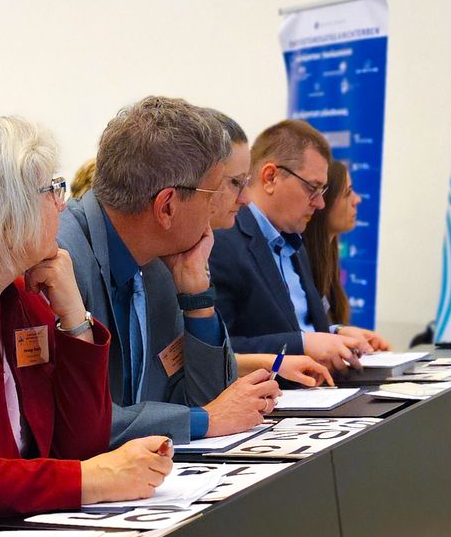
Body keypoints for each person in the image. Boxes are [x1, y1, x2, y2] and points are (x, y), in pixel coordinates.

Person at [0, 114, 172, 517]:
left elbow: (82, 447)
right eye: (52, 189)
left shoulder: (19, 294)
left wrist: (74, 317)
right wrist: (89, 481)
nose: (62, 204)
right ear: (3, 208)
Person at [58, 96, 277, 445]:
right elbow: (75, 425)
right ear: (167, 206)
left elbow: (210, 401)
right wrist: (202, 420)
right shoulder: (61, 260)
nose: (217, 208)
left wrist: (197, 298)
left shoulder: (162, 261)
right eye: (211, 195)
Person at [209, 118, 368, 371]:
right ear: (270, 178)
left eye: (322, 191)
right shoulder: (223, 242)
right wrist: (303, 344)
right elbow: (216, 351)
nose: (320, 203)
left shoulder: (293, 243)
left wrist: (338, 335)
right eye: (312, 188)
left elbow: (296, 327)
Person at [301, 157, 387, 349]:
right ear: (324, 202)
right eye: (347, 193)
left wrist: (347, 337)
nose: (357, 200)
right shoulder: (298, 263)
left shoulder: (327, 259)